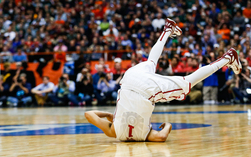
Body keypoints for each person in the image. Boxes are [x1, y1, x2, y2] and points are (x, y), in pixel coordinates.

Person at [85, 19, 242, 142]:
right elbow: (89, 114)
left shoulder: (145, 135)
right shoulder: (114, 131)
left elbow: (161, 137)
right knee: (152, 62)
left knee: (187, 82)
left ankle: (228, 58)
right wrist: (109, 114)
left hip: (145, 90)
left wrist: (167, 126)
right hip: (128, 79)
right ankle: (168, 29)